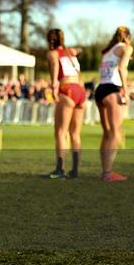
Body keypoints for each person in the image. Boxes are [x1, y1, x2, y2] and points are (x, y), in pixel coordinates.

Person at [94, 26, 133, 182]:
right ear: (128, 37)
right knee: (115, 133)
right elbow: (122, 69)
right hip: (112, 89)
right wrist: (126, 90)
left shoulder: (108, 51)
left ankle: (105, 171)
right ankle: (108, 173)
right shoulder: (127, 48)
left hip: (101, 90)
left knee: (107, 133)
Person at [46, 29, 86, 179]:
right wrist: (76, 51)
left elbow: (55, 75)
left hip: (66, 89)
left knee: (60, 132)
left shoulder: (52, 54)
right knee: (75, 134)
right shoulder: (71, 52)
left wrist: (54, 90)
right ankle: (75, 170)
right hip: (80, 91)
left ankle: (60, 169)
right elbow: (80, 49)